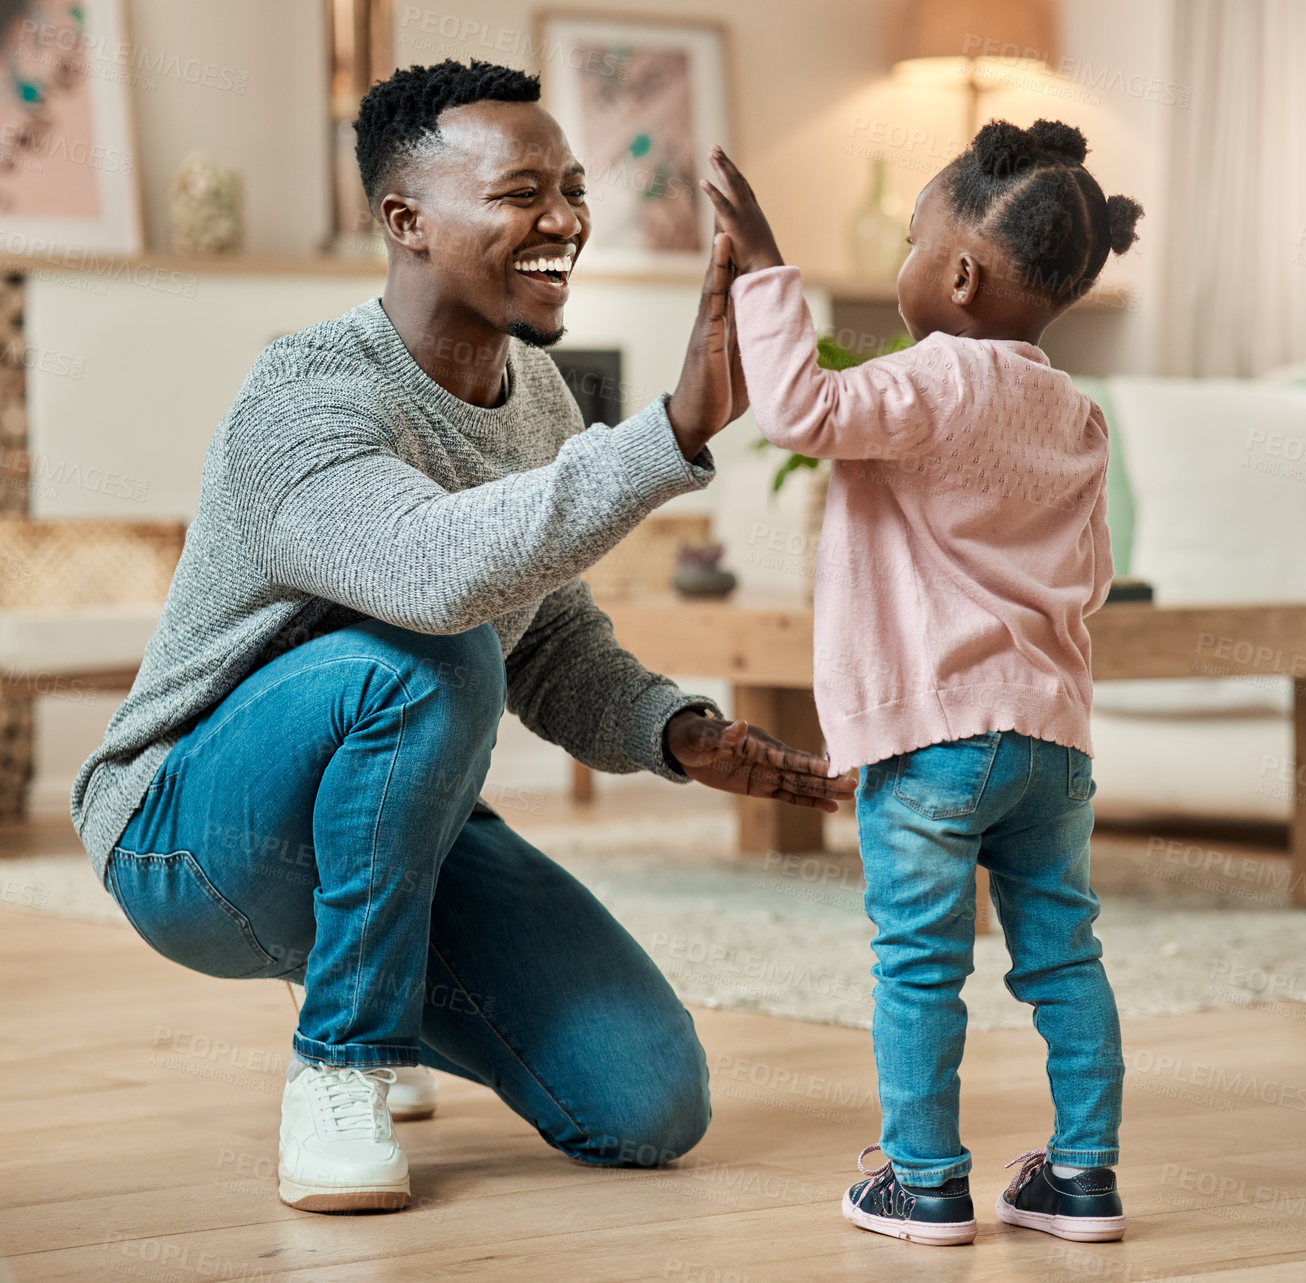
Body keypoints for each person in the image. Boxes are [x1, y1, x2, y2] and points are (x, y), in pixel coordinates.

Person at [70, 59, 852, 1214]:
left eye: (574, 189)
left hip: (397, 812)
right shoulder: (303, 394)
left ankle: (363, 975)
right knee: (430, 652)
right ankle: (342, 1060)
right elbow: (435, 577)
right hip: (183, 832)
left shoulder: (538, 400)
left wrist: (673, 730)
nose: (565, 221)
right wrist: (673, 429)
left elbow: (541, 636)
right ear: (407, 221)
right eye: (521, 191)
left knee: (648, 1102)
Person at [701, 118, 1143, 1246]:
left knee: (918, 961)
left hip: (934, 736)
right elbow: (1090, 578)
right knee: (1063, 953)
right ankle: (1082, 1175)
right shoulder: (1080, 413)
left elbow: (800, 409)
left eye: (909, 236)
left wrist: (766, 273)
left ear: (956, 272)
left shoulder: (931, 377)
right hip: (1050, 740)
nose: (903, 258)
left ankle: (924, 1176)